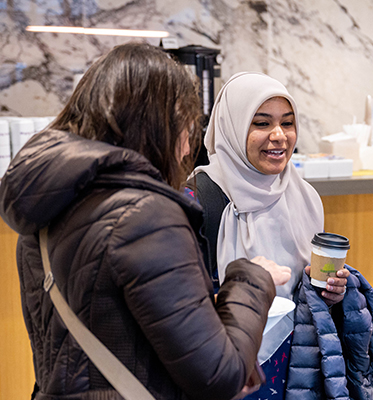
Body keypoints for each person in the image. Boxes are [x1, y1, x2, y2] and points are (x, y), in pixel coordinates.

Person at [0, 43, 290, 400]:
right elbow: (220, 375)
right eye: (185, 127)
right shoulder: (147, 216)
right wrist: (251, 279)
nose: (186, 148)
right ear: (156, 126)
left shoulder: (46, 206)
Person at [188, 72, 350, 398]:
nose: (279, 136)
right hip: (234, 368)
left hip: (299, 361)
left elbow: (305, 287)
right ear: (233, 128)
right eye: (261, 124)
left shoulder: (304, 197)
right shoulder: (199, 199)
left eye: (287, 123)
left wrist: (333, 290)